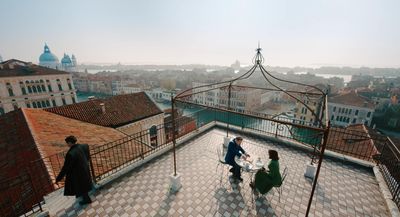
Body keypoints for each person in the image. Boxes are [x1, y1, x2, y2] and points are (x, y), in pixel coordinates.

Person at [56, 136, 93, 205]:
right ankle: (85, 198)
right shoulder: (84, 146)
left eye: (67, 143)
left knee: (81, 186)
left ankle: (87, 200)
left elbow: (65, 168)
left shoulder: (70, 154)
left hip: (77, 173)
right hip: (85, 168)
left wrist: (58, 178)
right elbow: (87, 156)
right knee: (84, 184)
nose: (67, 145)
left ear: (70, 142)